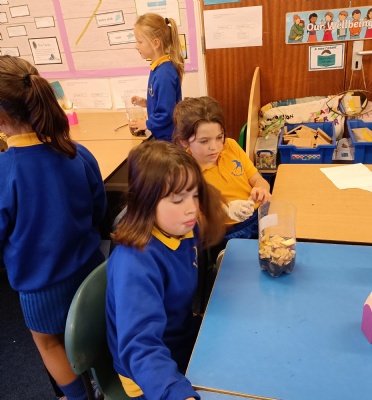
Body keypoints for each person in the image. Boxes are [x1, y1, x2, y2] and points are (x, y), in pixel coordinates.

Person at [0, 55, 107, 400]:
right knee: (91, 332)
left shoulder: (5, 170)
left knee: (49, 344)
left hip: (41, 287)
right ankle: (103, 383)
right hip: (92, 270)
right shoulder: (77, 152)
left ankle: (78, 397)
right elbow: (100, 210)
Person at [106, 140, 226, 399]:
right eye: (178, 199)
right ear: (146, 202)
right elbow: (141, 347)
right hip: (150, 374)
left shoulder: (183, 228)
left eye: (194, 195)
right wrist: (177, 393)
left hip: (180, 338)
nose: (191, 208)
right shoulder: (134, 263)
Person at [173, 96, 272, 260]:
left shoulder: (230, 146)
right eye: (204, 141)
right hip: (226, 232)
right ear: (184, 142)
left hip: (259, 216)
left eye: (219, 137)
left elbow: (258, 179)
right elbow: (198, 225)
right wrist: (226, 211)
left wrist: (261, 190)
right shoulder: (186, 173)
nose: (215, 147)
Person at [129, 13, 184, 141]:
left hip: (168, 139)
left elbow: (167, 113)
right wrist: (146, 103)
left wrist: (147, 124)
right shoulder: (158, 68)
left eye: (140, 41)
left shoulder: (164, 74)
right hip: (163, 136)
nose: (136, 46)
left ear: (156, 43)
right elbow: (163, 102)